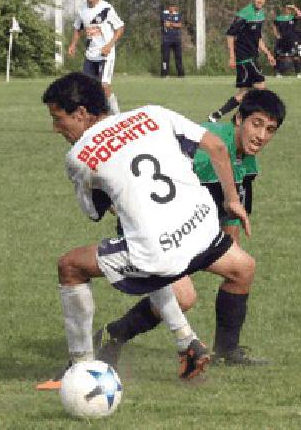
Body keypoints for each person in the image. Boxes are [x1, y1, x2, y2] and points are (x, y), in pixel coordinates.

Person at [34, 72, 258, 390]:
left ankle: (80, 366)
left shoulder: (79, 156)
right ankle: (188, 342)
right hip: (205, 231)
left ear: (81, 113)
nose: (56, 128)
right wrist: (232, 201)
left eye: (58, 119)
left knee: (71, 266)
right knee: (143, 243)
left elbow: (95, 212)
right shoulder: (153, 113)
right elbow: (218, 147)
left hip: (160, 253)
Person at [93, 90, 286, 368]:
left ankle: (226, 352)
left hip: (187, 227)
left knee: (242, 268)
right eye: (256, 124)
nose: (262, 136)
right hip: (151, 225)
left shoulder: (246, 158)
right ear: (239, 118)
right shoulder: (206, 154)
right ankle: (112, 335)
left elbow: (231, 210)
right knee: (183, 298)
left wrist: (228, 254)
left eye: (270, 130)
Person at [207, 0, 276, 122]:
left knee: (244, 93)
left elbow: (258, 38)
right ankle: (244, 117)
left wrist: (268, 53)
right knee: (261, 88)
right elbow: (230, 35)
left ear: (265, 0)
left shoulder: (261, 14)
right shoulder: (244, 14)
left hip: (252, 56)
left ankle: (217, 115)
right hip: (245, 58)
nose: (260, 1)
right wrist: (232, 57)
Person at [67, 0, 125, 114]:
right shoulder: (82, 10)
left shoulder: (106, 8)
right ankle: (97, 116)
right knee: (87, 87)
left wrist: (109, 46)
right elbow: (77, 28)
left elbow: (120, 27)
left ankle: (117, 116)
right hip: (90, 55)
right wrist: (73, 44)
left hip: (106, 55)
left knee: (104, 87)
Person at [272, 4, 301, 78]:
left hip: (292, 40)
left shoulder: (292, 17)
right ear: (284, 9)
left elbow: (300, 15)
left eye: (289, 9)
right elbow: (274, 26)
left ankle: (298, 73)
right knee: (278, 56)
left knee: (295, 56)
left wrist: (294, 7)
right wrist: (276, 35)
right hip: (281, 40)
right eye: (287, 9)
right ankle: (278, 73)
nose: (288, 10)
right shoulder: (278, 18)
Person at [160, 0, 186, 78]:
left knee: (178, 57)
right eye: (171, 6)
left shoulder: (178, 14)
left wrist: (171, 24)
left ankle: (180, 74)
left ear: (176, 7)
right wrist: (174, 24)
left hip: (176, 39)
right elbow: (165, 23)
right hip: (166, 39)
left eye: (174, 6)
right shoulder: (164, 14)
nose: (172, 8)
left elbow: (179, 25)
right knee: (165, 57)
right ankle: (165, 74)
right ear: (168, 7)